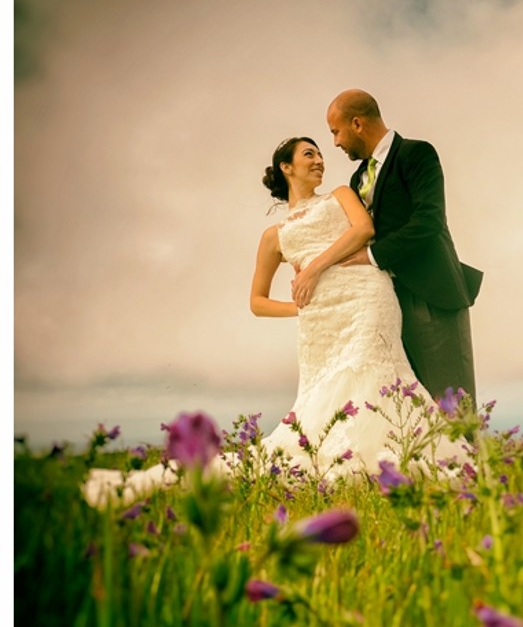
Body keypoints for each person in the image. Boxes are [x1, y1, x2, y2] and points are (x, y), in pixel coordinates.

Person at [82, 136, 463, 508]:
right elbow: (257, 302)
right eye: (309, 154)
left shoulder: (341, 195)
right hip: (320, 321)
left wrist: (313, 268)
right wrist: (303, 310)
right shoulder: (273, 236)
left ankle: (388, 460)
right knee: (322, 401)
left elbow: (365, 231)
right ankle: (346, 462)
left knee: (373, 375)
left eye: (320, 154)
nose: (319, 160)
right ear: (286, 167)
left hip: (367, 298)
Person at [301, 89, 482, 404]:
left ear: (357, 123)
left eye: (336, 131)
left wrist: (372, 255)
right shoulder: (359, 177)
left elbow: (429, 221)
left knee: (451, 407)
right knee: (411, 411)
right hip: (385, 303)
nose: (335, 142)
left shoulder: (416, 154)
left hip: (430, 297)